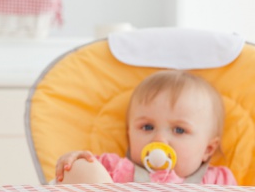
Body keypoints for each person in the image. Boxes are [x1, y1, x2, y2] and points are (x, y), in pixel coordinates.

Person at [54, 70, 236, 185]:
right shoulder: (114, 169)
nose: (159, 140)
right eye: (147, 127)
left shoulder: (218, 181)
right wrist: (77, 162)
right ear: (129, 134)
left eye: (179, 130)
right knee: (83, 167)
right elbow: (79, 176)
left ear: (208, 149)